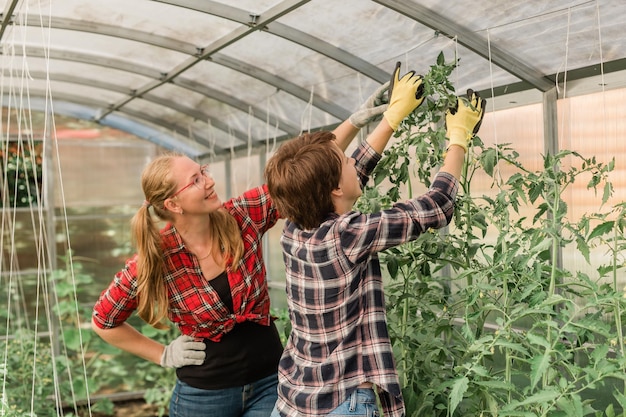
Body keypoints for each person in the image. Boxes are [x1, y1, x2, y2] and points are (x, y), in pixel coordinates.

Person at [91, 76, 395, 417]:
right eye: (195, 180)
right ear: (173, 205)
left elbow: (303, 176)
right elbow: (104, 320)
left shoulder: (240, 216)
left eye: (202, 171)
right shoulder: (156, 259)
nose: (209, 181)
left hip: (271, 382)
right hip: (203, 398)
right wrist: (162, 354)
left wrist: (355, 122)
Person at [264, 62, 486, 417]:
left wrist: (392, 118)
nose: (354, 162)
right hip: (340, 404)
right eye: (345, 162)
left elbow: (350, 175)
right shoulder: (346, 234)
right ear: (335, 188)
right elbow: (436, 207)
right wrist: (458, 138)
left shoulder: (294, 228)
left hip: (295, 397)